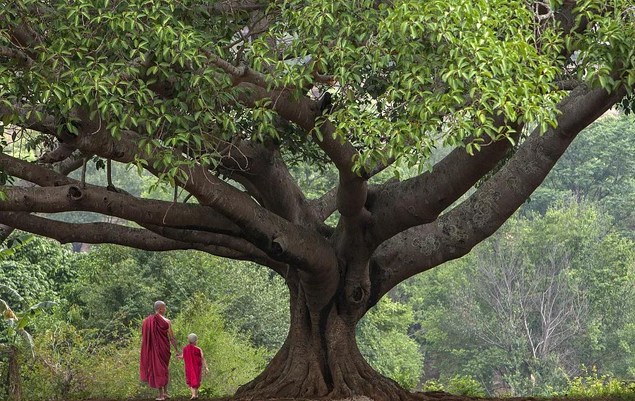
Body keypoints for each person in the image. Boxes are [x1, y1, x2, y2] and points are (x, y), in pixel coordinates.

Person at [140, 301, 180, 401]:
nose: (166, 309)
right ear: (161, 308)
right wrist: (176, 350)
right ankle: (163, 394)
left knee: (159, 369)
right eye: (165, 307)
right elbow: (172, 337)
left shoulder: (146, 321)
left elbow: (145, 337)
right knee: (163, 369)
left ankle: (163, 394)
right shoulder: (167, 321)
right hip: (163, 349)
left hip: (158, 350)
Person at [181, 333, 209, 399]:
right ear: (196, 341)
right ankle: (194, 395)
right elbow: (203, 358)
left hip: (189, 368)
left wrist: (178, 356)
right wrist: (206, 367)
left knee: (191, 380)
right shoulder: (198, 349)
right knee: (196, 380)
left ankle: (195, 395)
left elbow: (182, 356)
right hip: (196, 368)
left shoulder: (185, 349)